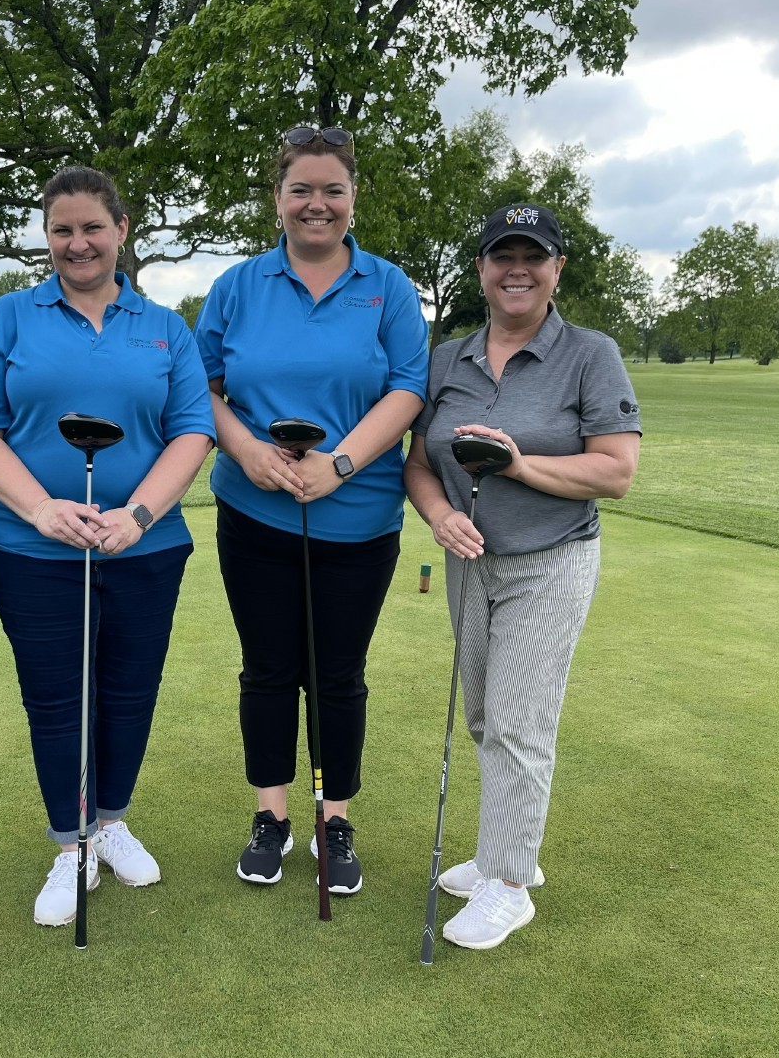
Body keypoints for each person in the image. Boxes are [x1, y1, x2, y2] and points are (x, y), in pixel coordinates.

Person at [0, 166, 215, 926]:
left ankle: (114, 818)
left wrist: (137, 513)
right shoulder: (8, 317)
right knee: (58, 698)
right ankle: (73, 844)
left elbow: (192, 429)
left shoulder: (165, 327)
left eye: (92, 228)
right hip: (33, 549)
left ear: (122, 230)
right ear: (47, 236)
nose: (78, 243)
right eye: (62, 229)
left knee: (130, 689)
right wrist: (38, 509)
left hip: (146, 546)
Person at [195, 125, 428, 894]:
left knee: (337, 676)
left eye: (332, 189)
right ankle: (272, 816)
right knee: (268, 670)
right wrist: (247, 451)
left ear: (353, 196)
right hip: (255, 514)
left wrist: (340, 463)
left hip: (358, 519)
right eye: (302, 189)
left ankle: (335, 818)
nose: (316, 204)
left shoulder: (387, 286)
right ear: (279, 198)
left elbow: (407, 388)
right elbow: (202, 390)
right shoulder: (238, 286)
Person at [404, 202, 642, 950]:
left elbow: (616, 470)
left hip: (552, 558)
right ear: (479, 269)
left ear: (556, 269)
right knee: (484, 715)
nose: (516, 269)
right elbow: (418, 464)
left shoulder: (590, 354)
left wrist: (519, 464)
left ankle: (508, 883)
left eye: (532, 256)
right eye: (500, 255)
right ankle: (511, 850)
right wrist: (439, 514)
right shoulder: (447, 358)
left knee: (518, 721)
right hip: (470, 560)